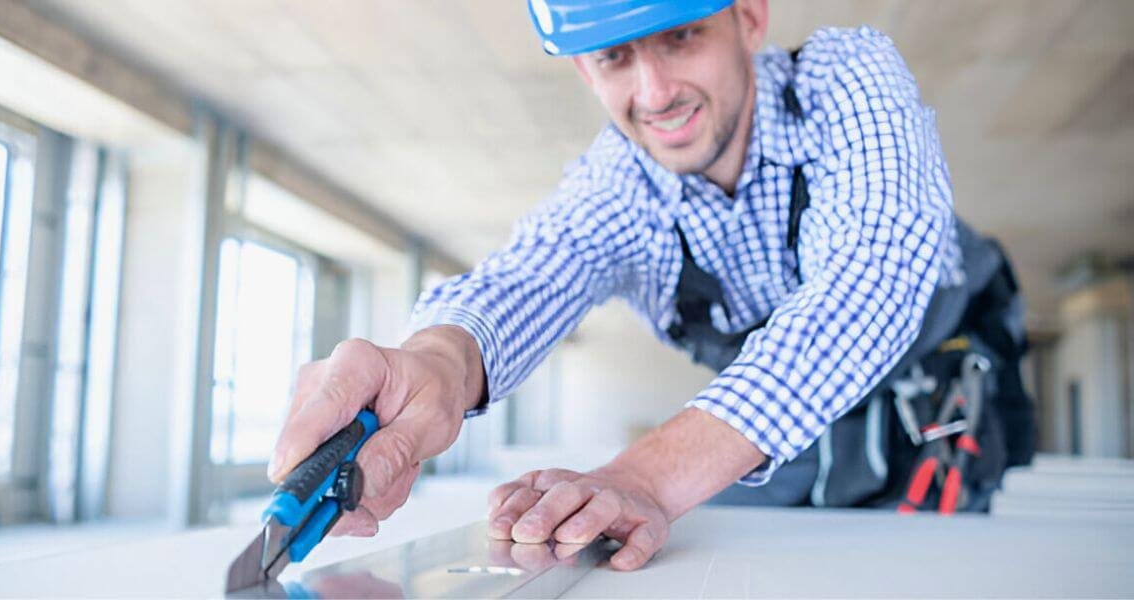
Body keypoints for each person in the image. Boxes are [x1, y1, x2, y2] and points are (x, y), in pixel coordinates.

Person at [267, 0, 1034, 571]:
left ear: (750, 17)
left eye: (682, 35)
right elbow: (531, 271)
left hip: (935, 391)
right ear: (582, 68)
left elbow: (871, 279)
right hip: (772, 428)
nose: (656, 90)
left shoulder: (844, 79)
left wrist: (644, 476)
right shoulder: (620, 182)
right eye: (614, 58)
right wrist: (436, 362)